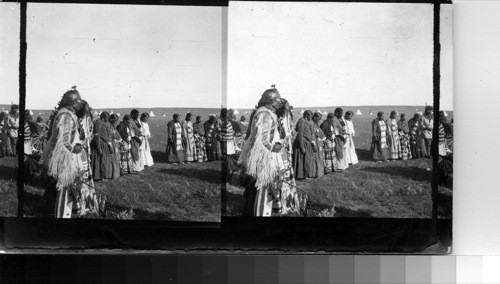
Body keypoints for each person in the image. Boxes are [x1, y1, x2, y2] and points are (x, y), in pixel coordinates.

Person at [239, 86, 294, 217]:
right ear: (271, 101)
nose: (279, 103)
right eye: (277, 100)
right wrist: (275, 148)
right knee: (263, 190)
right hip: (265, 159)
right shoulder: (265, 115)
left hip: (265, 157)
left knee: (260, 190)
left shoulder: (266, 113)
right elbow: (261, 140)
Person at [40, 88, 86, 218]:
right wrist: (75, 149)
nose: (80, 104)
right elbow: (63, 140)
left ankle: (53, 213)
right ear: (72, 102)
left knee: (57, 188)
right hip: (63, 157)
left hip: (61, 155)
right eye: (78, 101)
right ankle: (58, 215)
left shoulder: (66, 114)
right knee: (61, 188)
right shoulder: (66, 116)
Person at [292, 110, 316, 179]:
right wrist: (302, 146)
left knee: (306, 159)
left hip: (307, 143)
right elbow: (300, 134)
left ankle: (306, 175)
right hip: (302, 143)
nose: (311, 118)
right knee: (302, 159)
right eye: (310, 117)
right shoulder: (301, 121)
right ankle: (301, 175)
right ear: (306, 115)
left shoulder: (306, 121)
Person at [91, 112, 113, 180]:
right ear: (103, 117)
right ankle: (98, 177)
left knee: (104, 161)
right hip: (100, 144)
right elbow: (96, 135)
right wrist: (98, 147)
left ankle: (103, 176)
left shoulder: (105, 123)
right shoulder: (98, 123)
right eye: (107, 117)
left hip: (104, 144)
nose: (108, 119)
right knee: (98, 161)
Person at [312, 112, 326, 177]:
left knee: (320, 156)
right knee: (316, 157)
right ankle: (316, 173)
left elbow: (320, 132)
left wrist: (323, 139)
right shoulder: (311, 124)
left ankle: (320, 172)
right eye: (318, 118)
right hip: (314, 143)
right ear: (315, 117)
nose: (319, 120)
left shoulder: (316, 124)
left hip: (318, 142)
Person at [109, 114, 122, 179]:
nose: (116, 122)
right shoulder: (108, 125)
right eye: (115, 120)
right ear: (111, 119)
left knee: (115, 158)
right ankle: (112, 174)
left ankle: (116, 174)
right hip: (110, 144)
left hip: (114, 144)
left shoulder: (113, 126)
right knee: (112, 159)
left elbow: (116, 134)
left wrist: (119, 140)